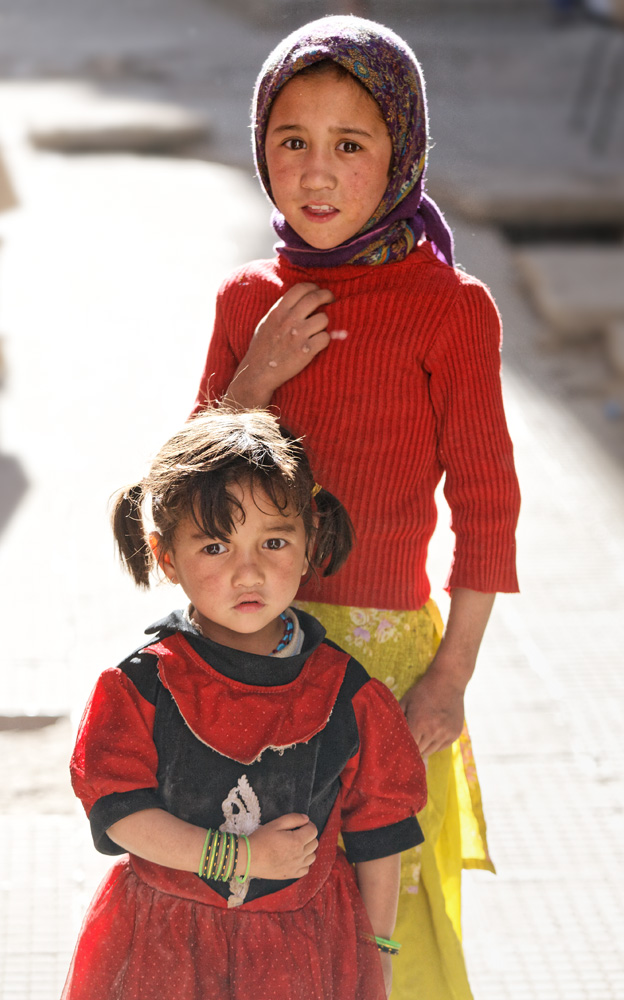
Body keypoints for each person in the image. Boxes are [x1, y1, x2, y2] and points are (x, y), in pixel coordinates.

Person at [192, 15, 521, 1000]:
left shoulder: (451, 308)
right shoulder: (249, 302)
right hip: (248, 661)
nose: (318, 174)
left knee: (384, 932)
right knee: (256, 919)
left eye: (351, 145)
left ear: (402, 153)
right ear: (260, 148)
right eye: (292, 141)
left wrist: (452, 675)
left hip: (385, 671)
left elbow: (489, 507)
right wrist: (253, 378)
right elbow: (187, 491)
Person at [61, 409, 427, 1000]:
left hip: (303, 955)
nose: (248, 571)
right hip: (165, 949)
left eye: (274, 541)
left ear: (311, 541)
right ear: (166, 557)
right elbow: (120, 813)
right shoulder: (141, 685)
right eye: (214, 546)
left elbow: (378, 831)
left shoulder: (347, 694)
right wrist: (240, 855)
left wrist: (377, 952)